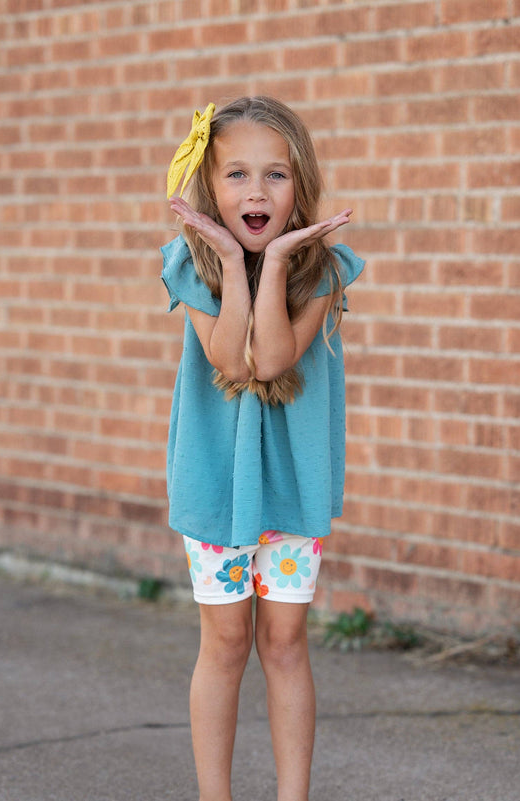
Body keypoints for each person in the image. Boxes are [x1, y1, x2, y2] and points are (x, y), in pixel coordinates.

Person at [160, 96, 364, 801]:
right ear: (210, 187)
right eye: (237, 174)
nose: (256, 191)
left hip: (289, 493)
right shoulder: (191, 263)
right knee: (224, 645)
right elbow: (232, 360)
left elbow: (272, 359)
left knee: (283, 644)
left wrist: (275, 262)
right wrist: (228, 255)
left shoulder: (322, 271)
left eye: (275, 174)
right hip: (217, 488)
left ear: (299, 184)